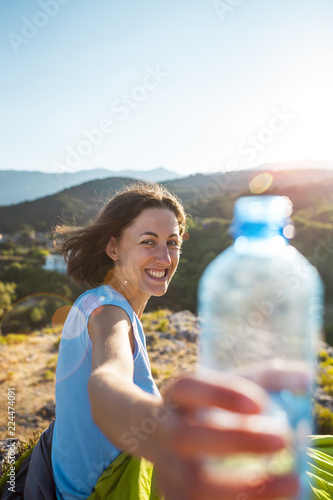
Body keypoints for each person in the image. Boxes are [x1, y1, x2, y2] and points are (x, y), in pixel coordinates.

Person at [49, 182, 298, 499]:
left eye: (173, 242)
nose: (164, 257)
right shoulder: (109, 313)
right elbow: (107, 380)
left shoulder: (95, 300)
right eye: (148, 242)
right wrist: (161, 434)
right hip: (105, 490)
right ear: (113, 247)